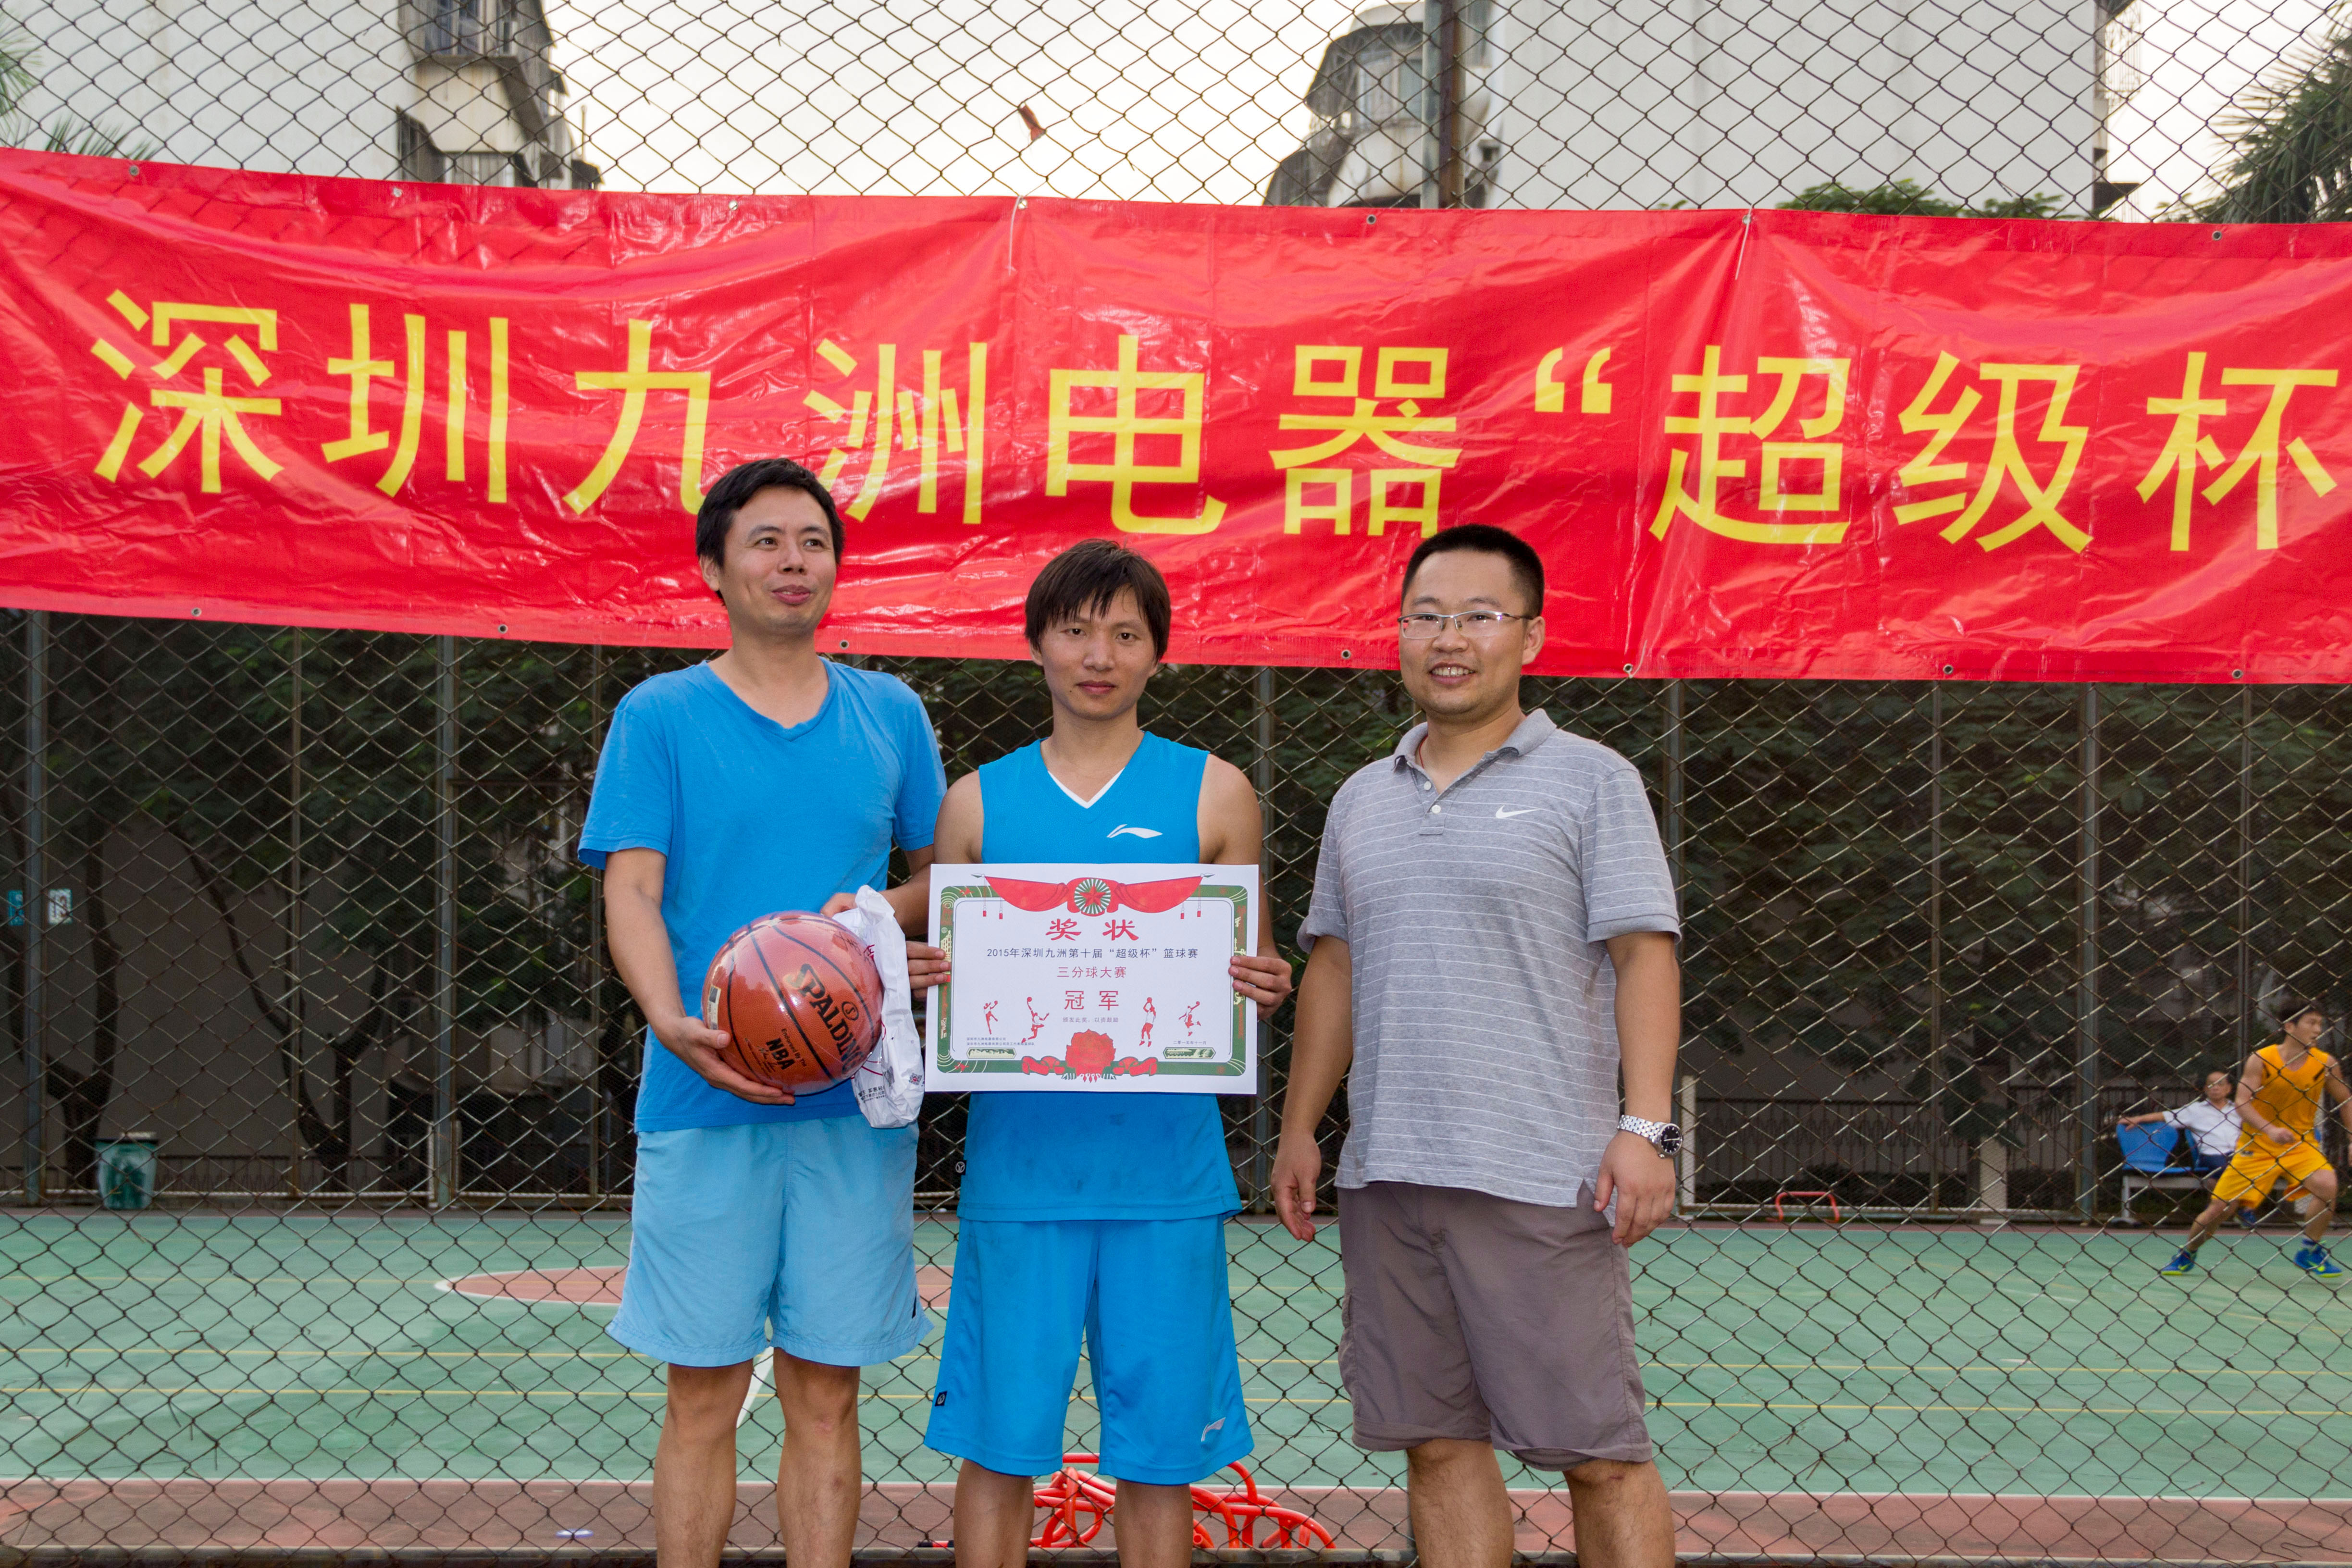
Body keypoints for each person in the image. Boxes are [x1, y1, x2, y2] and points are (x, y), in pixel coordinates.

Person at [1271, 523, 1683, 1568]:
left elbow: (1643, 954)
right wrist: (1301, 1128)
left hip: (1539, 1175)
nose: (1447, 639)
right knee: (1436, 1444)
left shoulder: (1592, 779)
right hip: (1388, 1174)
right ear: (1399, 634)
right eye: (1425, 616)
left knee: (1598, 1455)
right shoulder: (1361, 796)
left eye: (1477, 616)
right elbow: (1334, 968)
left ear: (1529, 636)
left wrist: (1646, 1129)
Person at [579, 457, 950, 1568]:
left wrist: (871, 926)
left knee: (826, 1394)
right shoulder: (660, 715)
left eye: (814, 541)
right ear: (714, 568)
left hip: (849, 1101)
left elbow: (941, 875)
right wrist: (667, 1015)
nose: (794, 562)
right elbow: (631, 887)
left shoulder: (890, 712)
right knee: (702, 1393)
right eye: (767, 541)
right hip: (704, 1093)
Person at [923, 539, 1295, 1568]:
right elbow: (954, 970)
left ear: (1156, 653)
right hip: (1021, 1172)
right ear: (1035, 642)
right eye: (1076, 630)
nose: (1098, 654)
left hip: (1164, 1175)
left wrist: (1263, 982)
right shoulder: (976, 802)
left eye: (1124, 633)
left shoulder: (1215, 792)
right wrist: (927, 973)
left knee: (1158, 1456)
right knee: (997, 1447)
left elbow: (1246, 966)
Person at [2160, 1002, 2352, 1279]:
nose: (2318, 1030)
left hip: (2299, 1144)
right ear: (2289, 1027)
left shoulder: (2325, 1063)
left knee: (2327, 1184)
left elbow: (2345, 1099)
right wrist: (2270, 1130)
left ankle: (2310, 1250)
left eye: (2320, 1024)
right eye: (2311, 1023)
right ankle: (2188, 1252)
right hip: (2257, 1146)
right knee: (2220, 1209)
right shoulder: (2262, 1059)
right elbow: (2242, 1102)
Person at [2118, 1069, 2241, 1173]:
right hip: (2211, 1155)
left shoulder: (2239, 1110)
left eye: (2220, 1084)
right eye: (2211, 1085)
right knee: (2226, 1169)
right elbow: (2164, 1116)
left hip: (2238, 1153)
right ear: (2205, 1089)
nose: (2215, 1088)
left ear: (2229, 1089)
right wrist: (2139, 1119)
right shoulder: (2195, 1110)